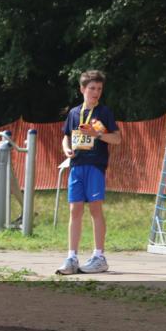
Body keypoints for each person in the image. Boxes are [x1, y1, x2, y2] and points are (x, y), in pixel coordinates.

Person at [56, 70, 121, 275]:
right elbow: (66, 136)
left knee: (95, 209)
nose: (96, 92)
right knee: (75, 210)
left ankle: (99, 256)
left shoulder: (104, 113)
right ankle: (72, 256)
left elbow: (117, 139)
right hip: (76, 166)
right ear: (82, 89)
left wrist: (97, 133)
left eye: (99, 89)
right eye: (92, 88)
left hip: (95, 166)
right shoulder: (74, 113)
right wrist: (66, 149)